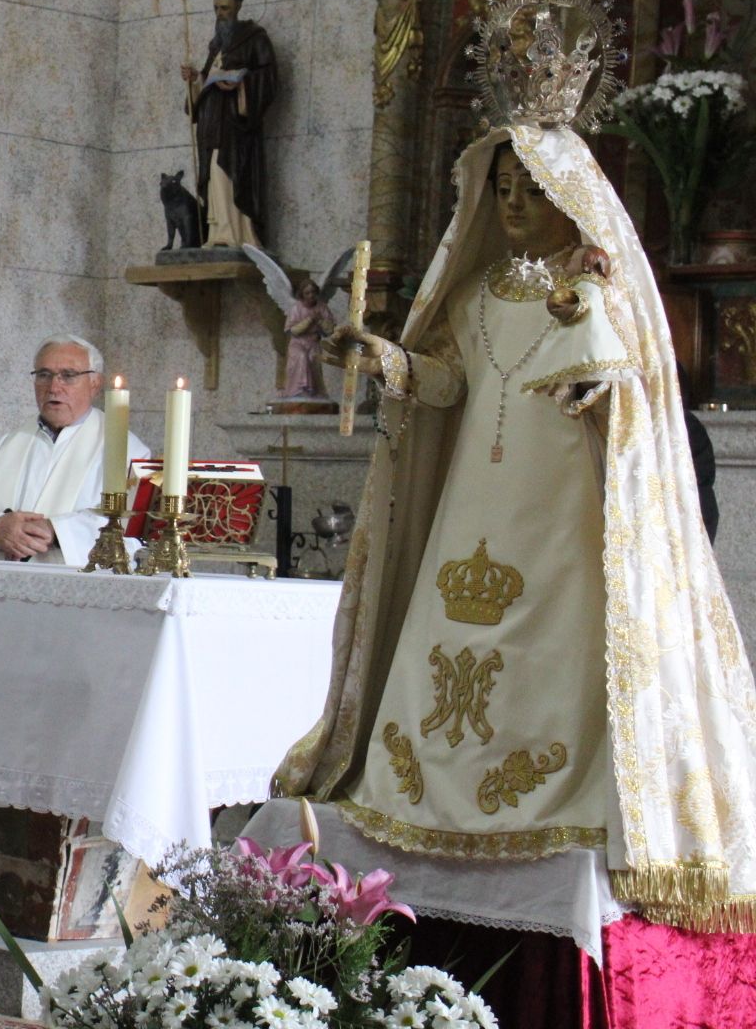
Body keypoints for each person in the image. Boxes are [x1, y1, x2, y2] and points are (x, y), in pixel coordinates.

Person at [274, 127, 756, 932]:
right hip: (475, 504)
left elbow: (620, 392)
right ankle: (428, 795)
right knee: (449, 645)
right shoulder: (472, 294)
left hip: (560, 510)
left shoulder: (603, 286)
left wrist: (589, 320)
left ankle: (569, 805)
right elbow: (448, 383)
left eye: (531, 191)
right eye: (502, 191)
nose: (515, 206)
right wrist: (384, 360)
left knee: (557, 642)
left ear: (569, 198)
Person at [0, 335, 147, 568]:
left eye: (68, 376)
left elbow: (133, 531)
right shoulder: (6, 444)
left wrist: (57, 531)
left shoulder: (125, 449)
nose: (54, 387)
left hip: (76, 592)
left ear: (95, 384)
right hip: (0, 587)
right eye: (44, 375)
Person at [180, 0, 278, 248]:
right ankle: (218, 233)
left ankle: (237, 233)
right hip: (212, 122)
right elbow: (205, 80)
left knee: (227, 172)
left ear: (237, 8)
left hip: (236, 125)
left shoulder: (255, 38)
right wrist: (195, 81)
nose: (220, 14)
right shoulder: (217, 45)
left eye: (224, 8)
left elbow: (269, 79)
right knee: (212, 175)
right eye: (215, 9)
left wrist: (241, 84)